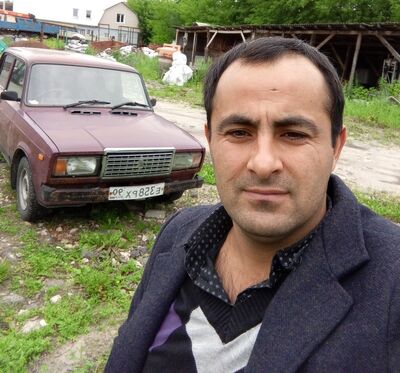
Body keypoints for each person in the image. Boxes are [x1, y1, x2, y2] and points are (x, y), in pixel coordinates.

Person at [106, 37, 400, 372]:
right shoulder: (178, 232)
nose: (262, 163)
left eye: (293, 134)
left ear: (336, 147)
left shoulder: (392, 281)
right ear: (211, 139)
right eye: (239, 132)